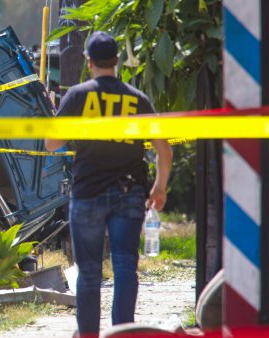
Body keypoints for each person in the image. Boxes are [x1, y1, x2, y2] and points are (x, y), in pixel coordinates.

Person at [45, 31, 173, 338]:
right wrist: (159, 187)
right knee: (126, 267)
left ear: (89, 62)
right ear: (117, 61)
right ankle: (123, 334)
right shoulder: (137, 99)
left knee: (89, 272)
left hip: (87, 194)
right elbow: (164, 149)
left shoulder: (77, 96)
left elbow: (52, 143)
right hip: (130, 194)